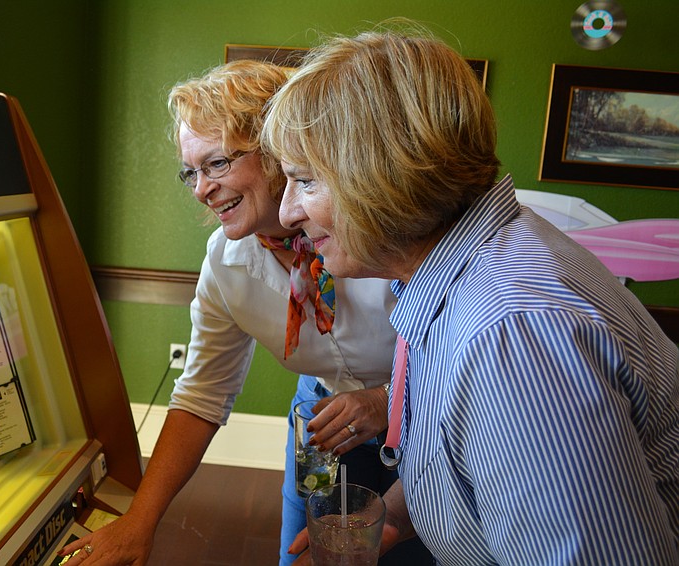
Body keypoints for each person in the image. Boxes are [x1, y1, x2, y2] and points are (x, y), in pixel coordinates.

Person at [261, 25, 679, 564]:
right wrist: (387, 520)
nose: (288, 213)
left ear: (384, 175)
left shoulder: (512, 336)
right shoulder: (457, 270)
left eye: (306, 181)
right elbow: (464, 454)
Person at [60, 60, 432, 564]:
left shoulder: (378, 225)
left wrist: (386, 400)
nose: (200, 188)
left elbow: (468, 369)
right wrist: (139, 523)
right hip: (324, 418)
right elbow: (201, 395)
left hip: (431, 417)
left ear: (280, 148)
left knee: (406, 552)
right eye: (190, 171)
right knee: (303, 555)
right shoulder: (225, 261)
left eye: (217, 164)